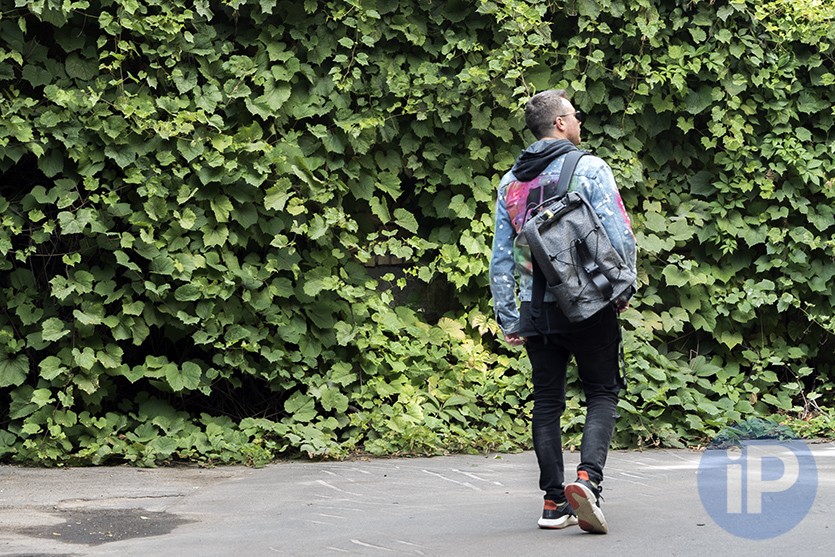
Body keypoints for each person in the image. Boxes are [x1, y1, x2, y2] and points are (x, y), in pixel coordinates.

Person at [489, 89, 637, 534]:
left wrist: (509, 315)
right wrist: (622, 287)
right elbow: (618, 232)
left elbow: (502, 257)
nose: (578, 122)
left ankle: (554, 502)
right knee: (602, 392)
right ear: (559, 123)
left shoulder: (510, 183)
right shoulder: (589, 168)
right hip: (590, 302)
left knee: (547, 402)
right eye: (574, 115)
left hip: (536, 309)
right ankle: (588, 480)